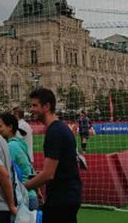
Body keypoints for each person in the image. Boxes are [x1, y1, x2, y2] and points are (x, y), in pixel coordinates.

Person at [25, 88, 82, 223]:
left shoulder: (55, 132)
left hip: (61, 198)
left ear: (47, 106)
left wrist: (23, 187)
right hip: (68, 195)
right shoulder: (60, 128)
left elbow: (48, 174)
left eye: (34, 105)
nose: (31, 109)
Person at [0, 112, 38, 211]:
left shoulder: (11, 146)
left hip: (23, 198)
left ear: (10, 127)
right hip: (31, 195)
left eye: (0, 126)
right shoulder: (20, 143)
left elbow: (3, 173)